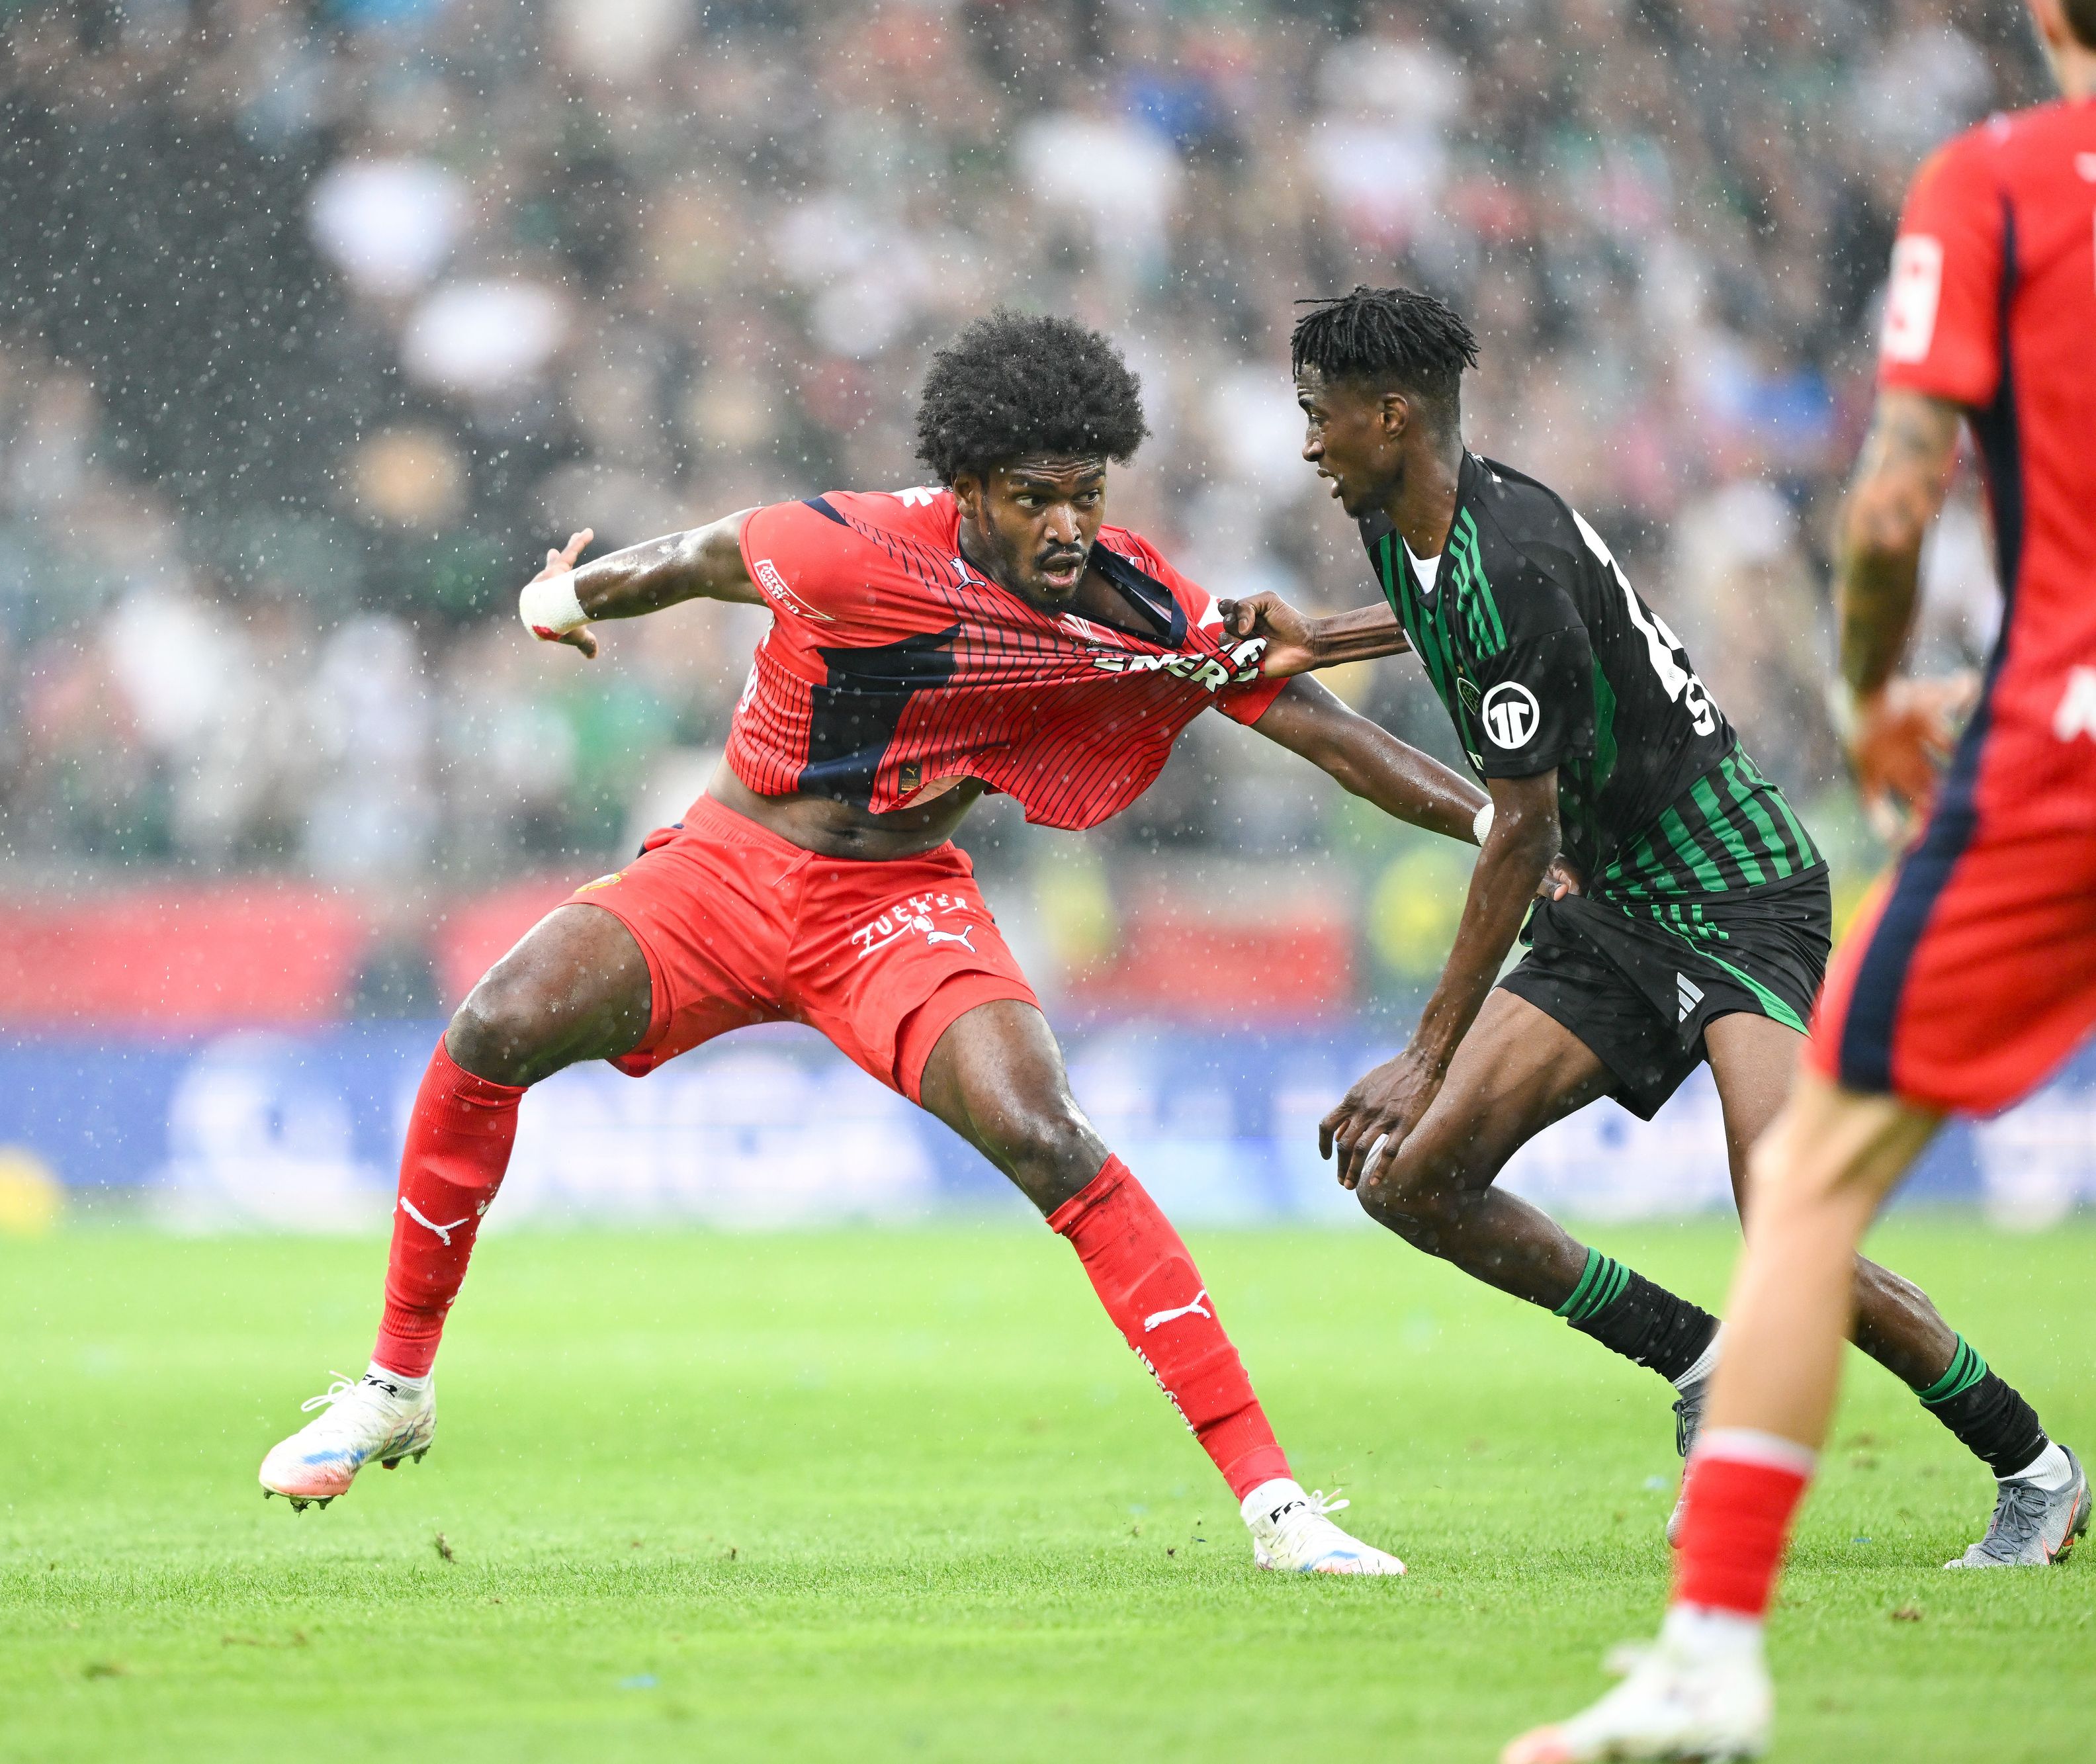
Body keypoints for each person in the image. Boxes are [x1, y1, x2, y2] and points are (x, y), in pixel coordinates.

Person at [257, 311, 1507, 1572]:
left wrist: (1500, 827)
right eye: (1034, 498)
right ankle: (395, 1385)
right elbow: (699, 557)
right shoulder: (843, 546)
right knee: (493, 1026)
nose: (1067, 525)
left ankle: (1278, 1508)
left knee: (1045, 1132)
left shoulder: (1132, 599)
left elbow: (1320, 729)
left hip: (894, 906)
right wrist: (561, 596)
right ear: (967, 486)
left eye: (1085, 493)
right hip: (725, 871)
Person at [1225, 285, 2074, 1577]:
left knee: (1790, 1229)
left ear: (1391, 417)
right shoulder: (1414, 522)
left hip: (1734, 888)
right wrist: (1320, 637)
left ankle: (2033, 1467)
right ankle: (1697, 1357)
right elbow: (1457, 620)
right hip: (1621, 897)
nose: (1305, 443)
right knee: (1414, 1181)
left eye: (1319, 415)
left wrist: (1425, 1051)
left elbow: (1519, 834)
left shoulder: (1506, 556)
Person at [1508, 1, 2096, 1755]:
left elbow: (1900, 495)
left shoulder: (1994, 181)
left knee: (1811, 1195)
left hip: (2060, 743)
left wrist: (1866, 699)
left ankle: (1711, 1661)